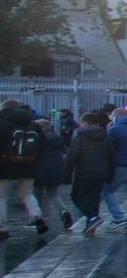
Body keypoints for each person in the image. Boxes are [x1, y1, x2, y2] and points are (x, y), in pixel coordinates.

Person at [0, 100, 48, 238]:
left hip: (3, 165)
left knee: (1, 197)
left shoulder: (2, 122)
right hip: (28, 164)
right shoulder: (33, 124)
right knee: (27, 194)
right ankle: (37, 217)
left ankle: (2, 228)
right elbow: (43, 146)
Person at [64, 111, 115, 237]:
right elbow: (112, 157)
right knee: (94, 198)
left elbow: (72, 157)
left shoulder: (80, 137)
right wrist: (110, 175)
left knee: (76, 196)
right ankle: (90, 225)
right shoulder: (106, 137)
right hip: (101, 172)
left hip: (84, 172)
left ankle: (93, 218)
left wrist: (67, 174)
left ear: (85, 123)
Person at [32, 118, 73, 232]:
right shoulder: (57, 138)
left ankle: (38, 219)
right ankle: (64, 211)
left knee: (37, 195)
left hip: (39, 170)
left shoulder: (40, 139)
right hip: (56, 170)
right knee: (53, 194)